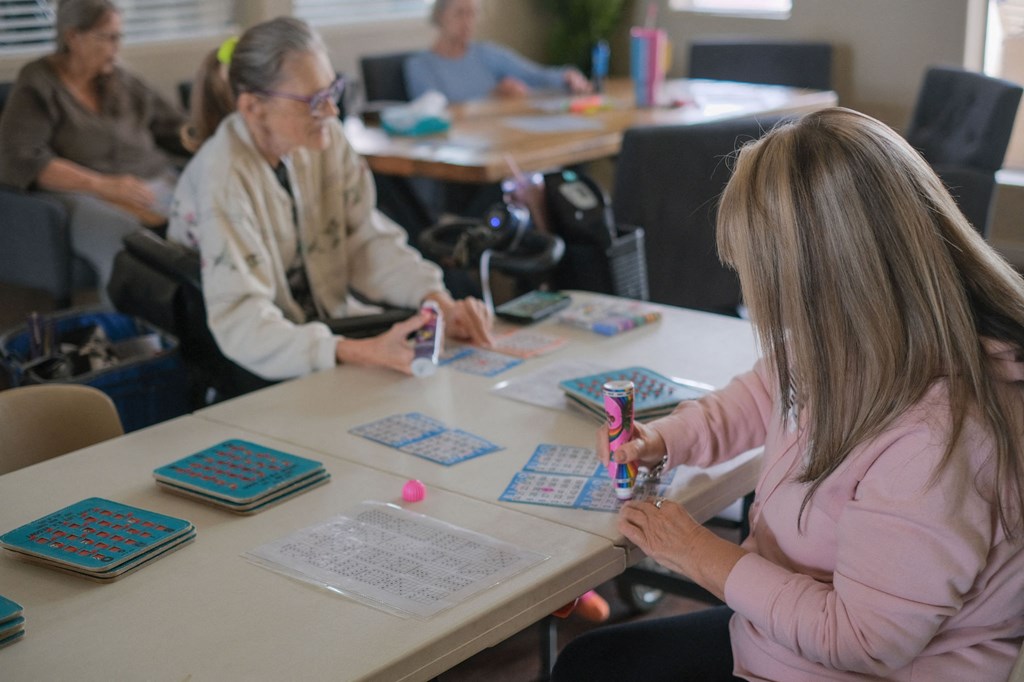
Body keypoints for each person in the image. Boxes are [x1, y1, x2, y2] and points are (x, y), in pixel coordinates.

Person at [552, 108, 1024, 681]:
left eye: (761, 279)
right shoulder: (855, 335)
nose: (757, 299)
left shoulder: (937, 439)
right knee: (589, 662)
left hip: (856, 664)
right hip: (783, 642)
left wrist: (699, 554)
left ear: (825, 280)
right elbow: (765, 392)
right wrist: (667, 439)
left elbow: (860, 641)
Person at [167, 18, 493, 382]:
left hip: (324, 331)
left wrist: (436, 300)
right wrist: (358, 351)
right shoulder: (222, 176)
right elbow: (242, 320)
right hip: (260, 356)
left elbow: (364, 240)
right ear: (253, 108)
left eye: (332, 91)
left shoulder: (324, 140)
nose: (331, 111)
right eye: (313, 101)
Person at [0, 0, 185, 297]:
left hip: (150, 180)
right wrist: (104, 185)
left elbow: (175, 127)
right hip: (81, 192)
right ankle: (131, 337)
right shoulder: (38, 83)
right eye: (108, 37)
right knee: (123, 233)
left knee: (207, 216)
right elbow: (21, 159)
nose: (116, 47)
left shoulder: (120, 77)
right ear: (74, 37)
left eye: (119, 37)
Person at [404, 0, 592, 103]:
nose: (468, 22)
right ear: (439, 15)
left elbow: (534, 75)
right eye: (460, 13)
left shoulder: (486, 53)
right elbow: (434, 113)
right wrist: (491, 97)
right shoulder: (420, 66)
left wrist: (567, 76)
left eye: (472, 13)